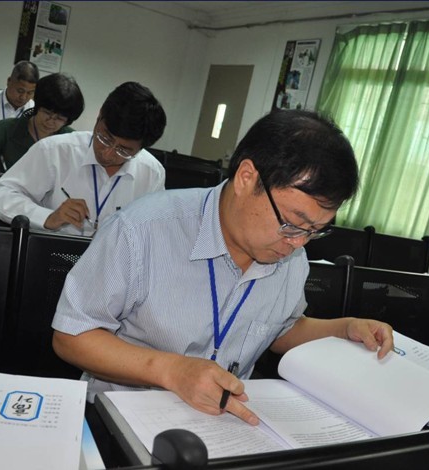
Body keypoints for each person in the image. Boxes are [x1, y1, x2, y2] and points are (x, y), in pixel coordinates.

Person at [50, 109, 394, 425]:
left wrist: (343, 329)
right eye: (292, 223)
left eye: (315, 231)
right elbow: (71, 336)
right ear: (246, 178)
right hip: (123, 420)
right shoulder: (141, 230)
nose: (298, 243)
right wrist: (172, 371)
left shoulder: (290, 256)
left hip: (224, 424)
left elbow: (278, 328)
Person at [0, 81, 167, 236]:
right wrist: (48, 217)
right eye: (104, 138)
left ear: (140, 149)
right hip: (50, 255)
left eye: (123, 151)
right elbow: (1, 196)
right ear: (99, 116)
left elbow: (155, 228)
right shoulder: (55, 151)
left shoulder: (152, 173)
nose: (107, 154)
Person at [0, 72, 84, 171]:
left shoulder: (72, 140)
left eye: (60, 118)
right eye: (47, 112)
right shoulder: (7, 128)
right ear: (37, 106)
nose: (51, 121)